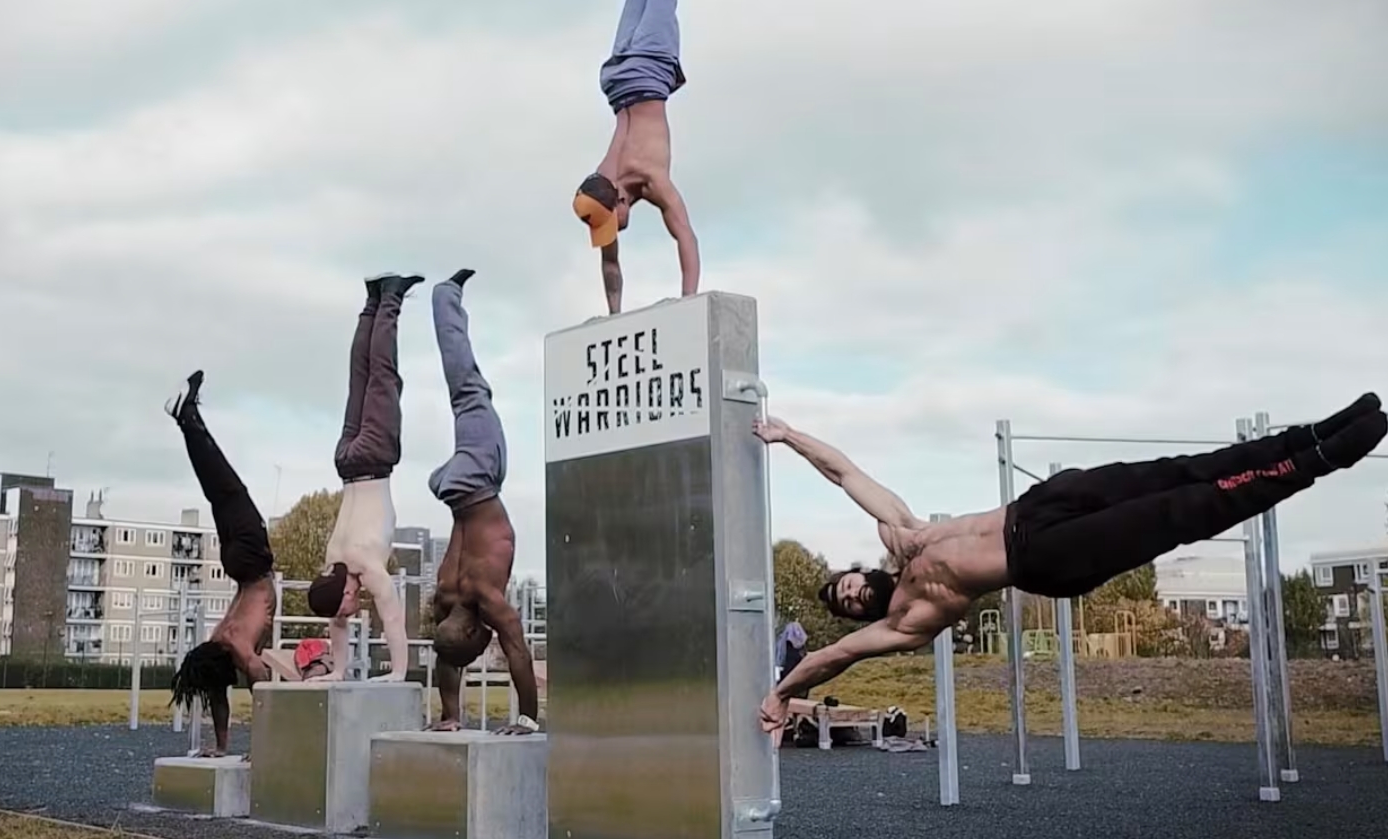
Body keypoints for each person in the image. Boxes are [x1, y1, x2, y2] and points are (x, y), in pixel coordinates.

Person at [755, 394, 1387, 736]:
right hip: (1044, 557)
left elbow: (843, 472)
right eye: (844, 605)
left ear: (860, 570)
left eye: (848, 586)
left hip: (1040, 505)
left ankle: (1309, 435)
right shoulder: (907, 620)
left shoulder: (904, 533)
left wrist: (788, 436)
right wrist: (782, 694)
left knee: (1182, 470)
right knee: (1185, 509)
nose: (852, 598)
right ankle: (1323, 460)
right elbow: (830, 658)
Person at [423, 269, 540, 735]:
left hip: (476, 478)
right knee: (466, 397)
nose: (483, 649)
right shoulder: (444, 599)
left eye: (477, 648)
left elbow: (518, 649)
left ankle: (444, 297)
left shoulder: (484, 598)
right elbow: (447, 657)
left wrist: (529, 718)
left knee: (467, 389)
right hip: (454, 490)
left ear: (474, 630)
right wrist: (451, 715)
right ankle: (441, 302)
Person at [305, 273, 419, 682]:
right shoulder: (333, 561)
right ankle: (372, 301)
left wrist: (399, 672)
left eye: (348, 605)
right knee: (359, 379)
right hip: (346, 461)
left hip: (375, 458)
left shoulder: (366, 566)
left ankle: (391, 298)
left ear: (347, 591)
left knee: (382, 375)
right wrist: (337, 671)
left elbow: (392, 614)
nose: (351, 613)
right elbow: (335, 624)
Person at [165, 370, 274, 758]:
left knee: (226, 488)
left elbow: (259, 689)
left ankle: (189, 417)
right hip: (239, 565)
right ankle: (186, 419)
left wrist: (231, 746)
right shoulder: (219, 642)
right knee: (218, 492)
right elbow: (255, 685)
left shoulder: (233, 646)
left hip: (254, 563)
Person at [572, 0, 699, 314]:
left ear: (619, 202)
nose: (616, 232)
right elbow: (610, 263)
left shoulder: (651, 179)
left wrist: (689, 301)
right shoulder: (602, 183)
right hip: (616, 79)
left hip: (651, 65)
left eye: (613, 223)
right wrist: (614, 315)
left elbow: (686, 237)